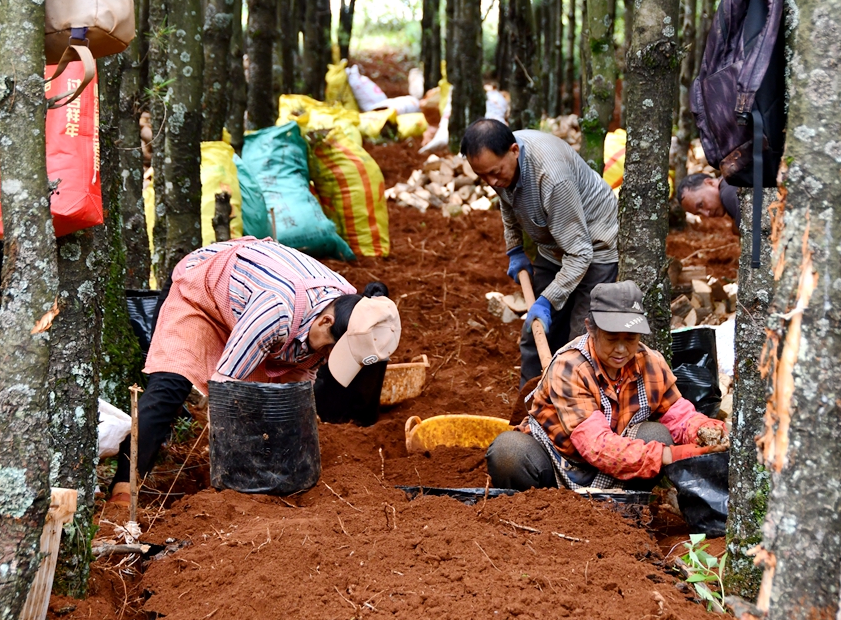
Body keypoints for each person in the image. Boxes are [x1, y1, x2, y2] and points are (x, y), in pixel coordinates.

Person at [109, 238, 401, 505]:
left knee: (281, 405)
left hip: (263, 317)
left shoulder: (351, 311)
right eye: (330, 349)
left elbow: (299, 384)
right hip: (206, 295)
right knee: (169, 389)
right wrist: (235, 472)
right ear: (325, 322)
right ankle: (122, 492)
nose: (326, 357)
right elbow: (226, 391)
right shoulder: (277, 310)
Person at [486, 281, 728, 491]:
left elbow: (680, 417)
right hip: (557, 459)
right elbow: (594, 445)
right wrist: (667, 456)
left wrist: (707, 431)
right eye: (612, 339)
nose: (622, 350)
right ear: (591, 328)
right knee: (509, 453)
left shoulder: (651, 363)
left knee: (657, 435)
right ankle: (546, 506)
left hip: (617, 462)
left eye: (630, 339)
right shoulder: (570, 366)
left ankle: (625, 504)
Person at [461, 119, 620, 386]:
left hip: (594, 247)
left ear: (514, 150)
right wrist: (515, 249)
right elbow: (508, 202)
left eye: (494, 173)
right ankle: (531, 405)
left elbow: (581, 254)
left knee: (580, 343)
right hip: (554, 246)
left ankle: (579, 414)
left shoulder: (551, 178)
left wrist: (547, 300)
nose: (491, 182)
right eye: (482, 176)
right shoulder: (501, 167)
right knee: (536, 332)